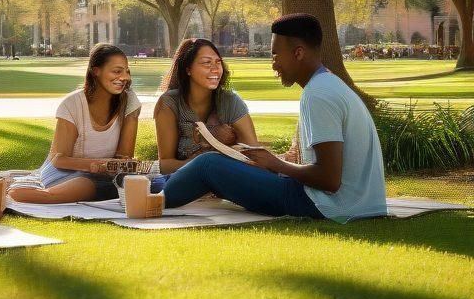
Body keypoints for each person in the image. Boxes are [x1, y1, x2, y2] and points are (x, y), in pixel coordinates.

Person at [158, 14, 387, 222]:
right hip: (358, 205)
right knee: (214, 167)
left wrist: (276, 163)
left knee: (207, 165)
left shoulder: (318, 93)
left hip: (327, 205)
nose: (273, 64)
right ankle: (145, 188)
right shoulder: (329, 83)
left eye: (276, 55)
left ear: (298, 53)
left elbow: (329, 179)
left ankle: (147, 200)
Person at [8, 43, 153, 204]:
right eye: (117, 71)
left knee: (138, 182)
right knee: (85, 186)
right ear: (96, 71)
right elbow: (59, 160)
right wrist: (94, 165)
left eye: (127, 71)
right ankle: (6, 192)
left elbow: (123, 157)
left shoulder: (129, 102)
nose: (125, 77)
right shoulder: (72, 104)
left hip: (106, 175)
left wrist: (116, 166)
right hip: (62, 171)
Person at [154, 38, 258, 173]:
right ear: (188, 69)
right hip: (185, 183)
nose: (215, 69)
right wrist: (209, 157)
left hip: (227, 183)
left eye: (218, 62)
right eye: (206, 63)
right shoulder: (169, 103)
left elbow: (255, 156)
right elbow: (164, 165)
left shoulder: (230, 101)